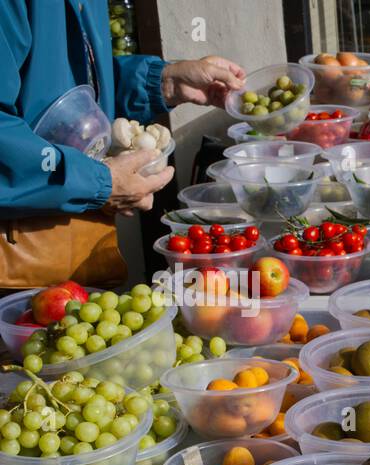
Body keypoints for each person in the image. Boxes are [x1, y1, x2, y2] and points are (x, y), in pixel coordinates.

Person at [0, 1, 246, 286]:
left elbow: (65, 88)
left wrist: (164, 84)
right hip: (18, 268)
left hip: (68, 259)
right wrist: (97, 183)